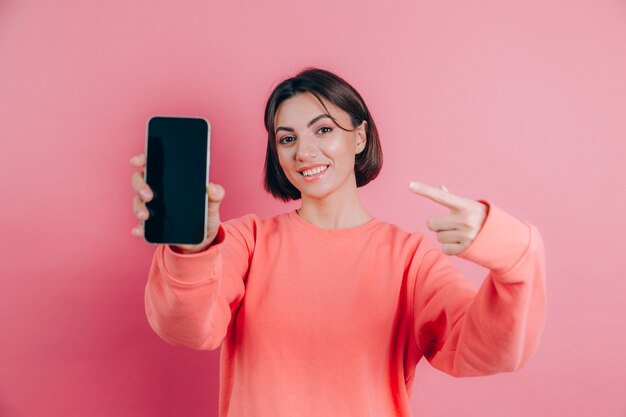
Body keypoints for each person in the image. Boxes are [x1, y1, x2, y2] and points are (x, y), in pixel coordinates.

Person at [130, 68, 546, 417]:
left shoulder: (410, 260)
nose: (304, 151)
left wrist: (511, 254)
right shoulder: (245, 241)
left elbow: (489, 351)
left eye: (323, 129)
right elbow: (187, 329)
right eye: (287, 138)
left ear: (360, 138)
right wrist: (193, 248)